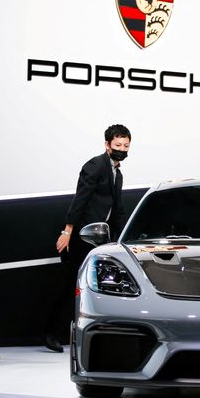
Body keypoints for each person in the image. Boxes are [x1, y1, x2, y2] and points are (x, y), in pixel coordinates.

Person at [44, 124, 132, 352]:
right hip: (82, 237)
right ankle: (51, 333)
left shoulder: (117, 173)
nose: (122, 149)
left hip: (102, 239)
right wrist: (67, 231)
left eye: (126, 145)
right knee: (69, 285)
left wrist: (123, 239)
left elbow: (118, 209)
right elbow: (80, 199)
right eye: (118, 145)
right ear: (107, 145)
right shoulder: (95, 166)